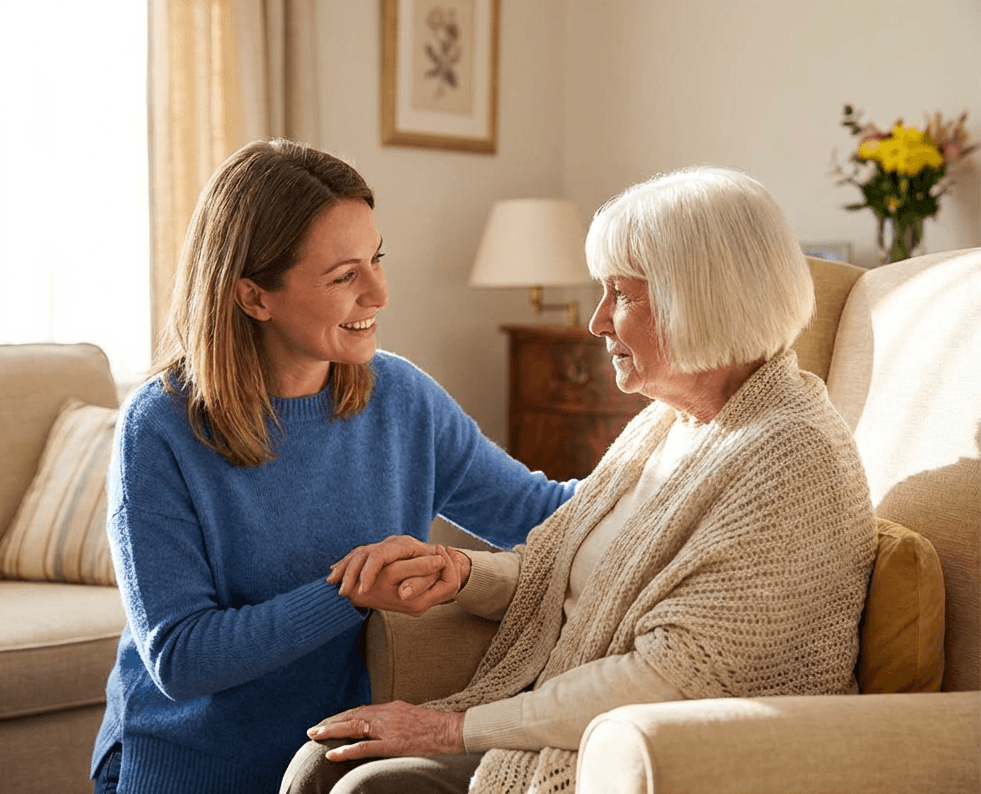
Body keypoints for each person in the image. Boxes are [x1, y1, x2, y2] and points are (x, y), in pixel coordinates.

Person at [281, 166, 878, 794]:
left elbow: (672, 676)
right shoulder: (666, 425)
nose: (597, 322)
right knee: (322, 761)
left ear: (699, 298)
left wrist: (454, 728)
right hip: (565, 726)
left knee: (366, 786)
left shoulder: (790, 457)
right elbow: (560, 568)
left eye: (621, 294)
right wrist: (461, 571)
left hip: (654, 751)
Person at [90, 139, 576, 794]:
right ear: (254, 297)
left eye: (376, 259)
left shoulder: (401, 398)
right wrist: (346, 595)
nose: (379, 292)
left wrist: (681, 462)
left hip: (337, 767)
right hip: (190, 767)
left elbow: (545, 515)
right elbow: (180, 657)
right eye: (345, 276)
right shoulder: (160, 426)